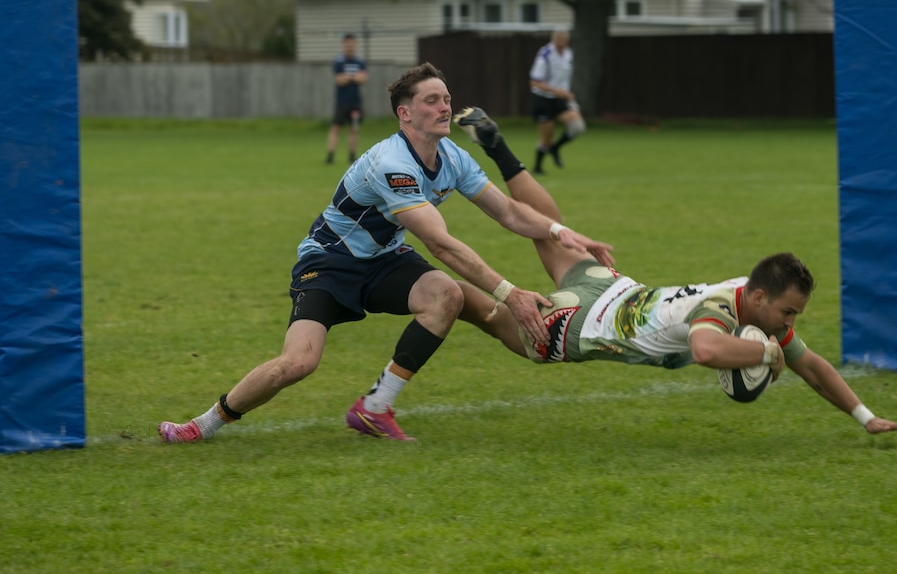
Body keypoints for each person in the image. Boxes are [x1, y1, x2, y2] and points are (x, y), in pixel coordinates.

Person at [159, 64, 615, 444]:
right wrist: (510, 293)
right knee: (298, 363)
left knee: (446, 296)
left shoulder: (453, 157)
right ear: (405, 113)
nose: (445, 107)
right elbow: (440, 243)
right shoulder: (392, 164)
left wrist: (564, 234)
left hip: (384, 259)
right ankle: (204, 424)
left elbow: (510, 213)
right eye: (432, 101)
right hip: (329, 262)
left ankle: (375, 407)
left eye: (447, 99)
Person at [452, 107, 897, 435]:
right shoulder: (720, 309)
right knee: (489, 318)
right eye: (789, 313)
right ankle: (437, 287)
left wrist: (866, 417)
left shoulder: (752, 298)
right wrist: (763, 353)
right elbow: (705, 349)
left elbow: (812, 367)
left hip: (612, 287)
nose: (790, 323)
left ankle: (498, 147)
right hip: (581, 325)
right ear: (760, 298)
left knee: (551, 231)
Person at [528, 29, 586, 174]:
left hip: (560, 99)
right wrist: (555, 90)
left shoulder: (568, 53)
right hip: (543, 99)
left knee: (578, 127)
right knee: (547, 137)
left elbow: (564, 78)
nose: (562, 43)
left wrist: (567, 93)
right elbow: (534, 82)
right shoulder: (545, 54)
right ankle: (537, 168)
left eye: (564, 40)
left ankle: (555, 148)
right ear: (554, 39)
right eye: (559, 40)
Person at [326, 34, 367, 164]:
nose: (350, 47)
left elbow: (363, 79)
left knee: (354, 129)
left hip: (355, 102)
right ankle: (330, 156)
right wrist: (354, 77)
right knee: (336, 128)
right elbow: (339, 80)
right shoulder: (339, 61)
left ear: (355, 45)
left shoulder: (359, 61)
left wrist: (348, 77)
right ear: (344, 45)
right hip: (342, 102)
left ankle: (352, 155)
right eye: (348, 44)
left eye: (352, 44)